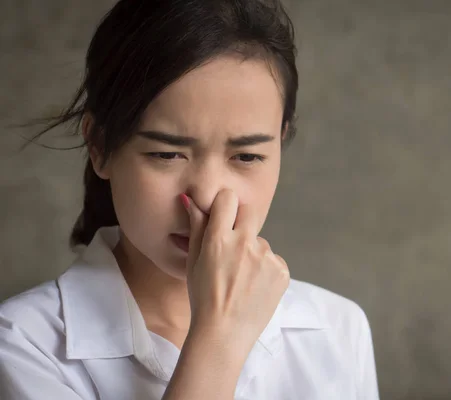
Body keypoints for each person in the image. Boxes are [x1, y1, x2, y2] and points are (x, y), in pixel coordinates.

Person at [0, 0, 379, 398]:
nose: (208, 195)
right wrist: (217, 340)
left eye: (247, 156)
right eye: (167, 154)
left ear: (280, 142)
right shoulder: (23, 345)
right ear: (99, 144)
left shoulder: (338, 328)